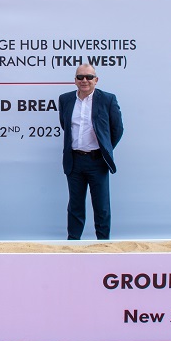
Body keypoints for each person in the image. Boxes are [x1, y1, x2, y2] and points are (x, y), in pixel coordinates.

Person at [58, 63, 123, 240]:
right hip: (74, 161)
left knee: (101, 207)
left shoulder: (108, 99)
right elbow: (66, 126)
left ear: (96, 79)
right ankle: (73, 245)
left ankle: (103, 245)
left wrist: (105, 149)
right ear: (75, 81)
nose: (84, 80)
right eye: (80, 77)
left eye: (88, 77)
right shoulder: (65, 99)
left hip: (98, 161)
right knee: (75, 206)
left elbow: (117, 129)